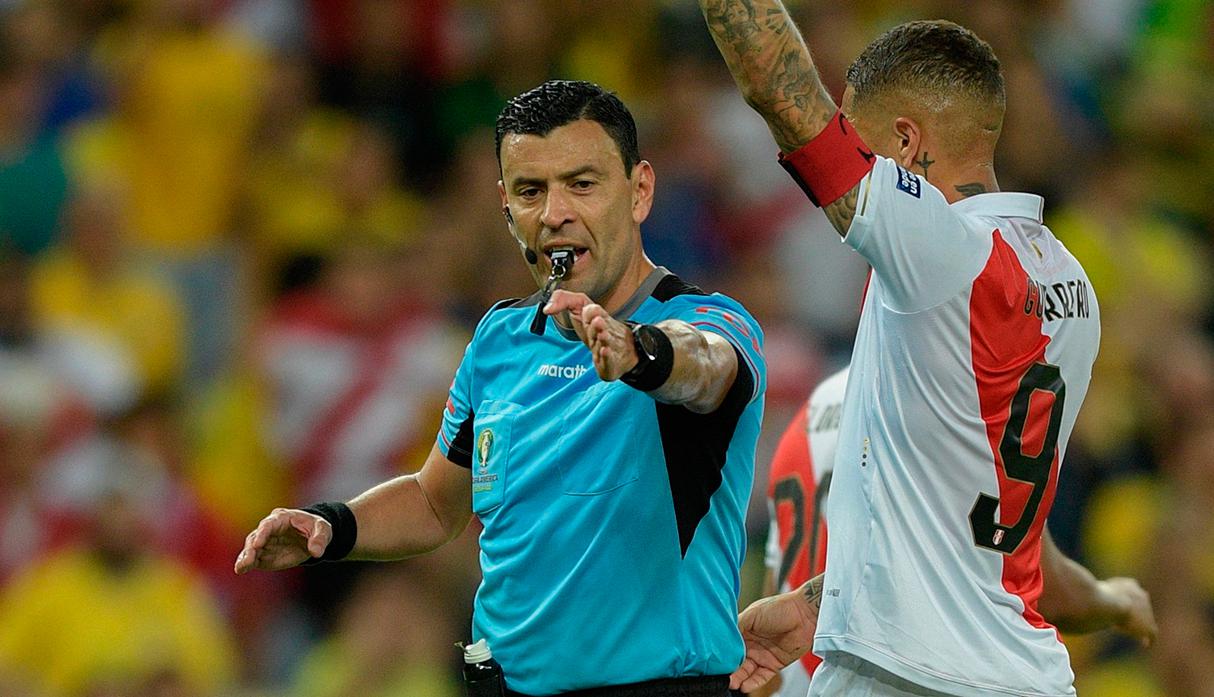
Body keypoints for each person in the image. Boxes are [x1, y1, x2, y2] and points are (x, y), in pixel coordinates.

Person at [235, 79, 767, 697]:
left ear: (639, 190)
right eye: (531, 191)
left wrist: (638, 352)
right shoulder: (498, 339)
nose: (555, 212)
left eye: (582, 184)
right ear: (506, 206)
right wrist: (332, 526)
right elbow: (436, 503)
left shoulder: (707, 321)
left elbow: (707, 366)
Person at [700, 2, 1122, 694]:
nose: (851, 158)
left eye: (859, 140)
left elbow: (781, 91)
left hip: (912, 677)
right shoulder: (1069, 280)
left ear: (904, 142)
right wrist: (822, 602)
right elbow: (954, 514)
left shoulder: (946, 254)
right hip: (1023, 670)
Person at [760, 367, 1156, 697]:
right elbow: (1044, 587)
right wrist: (1117, 601)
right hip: (898, 675)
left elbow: (773, 605)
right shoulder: (944, 405)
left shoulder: (808, 414)